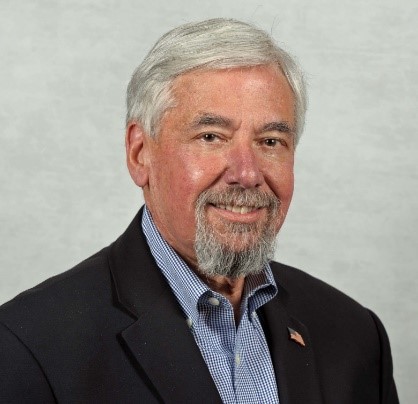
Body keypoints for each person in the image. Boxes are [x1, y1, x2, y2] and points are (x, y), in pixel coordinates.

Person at [0, 18, 398, 403]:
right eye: (211, 137)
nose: (247, 174)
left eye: (271, 141)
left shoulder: (356, 336)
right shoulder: (28, 348)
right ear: (140, 153)